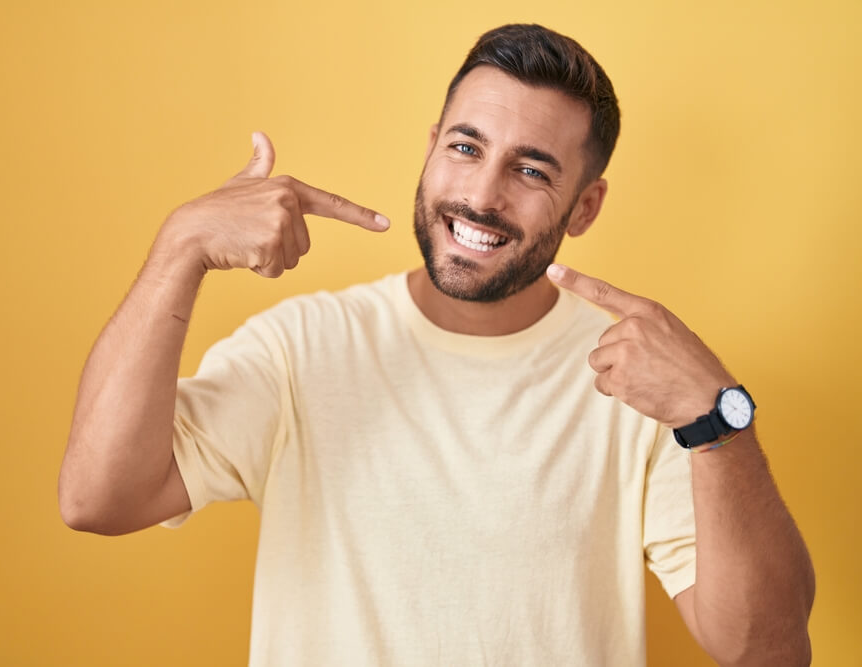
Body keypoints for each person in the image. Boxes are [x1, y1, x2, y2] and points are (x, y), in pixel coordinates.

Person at [59, 23, 814, 665]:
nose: (481, 196)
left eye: (530, 169)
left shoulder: (644, 383)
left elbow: (767, 648)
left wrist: (718, 422)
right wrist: (180, 247)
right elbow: (98, 496)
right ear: (430, 148)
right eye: (464, 147)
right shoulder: (305, 347)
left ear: (585, 206)